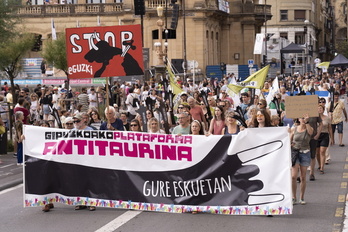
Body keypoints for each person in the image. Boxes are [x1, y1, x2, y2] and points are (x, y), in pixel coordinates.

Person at [290, 115, 313, 205]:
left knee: (303, 177)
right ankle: (293, 197)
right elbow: (289, 140)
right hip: (295, 153)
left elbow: (311, 133)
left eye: (304, 118)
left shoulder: (309, 128)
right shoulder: (294, 129)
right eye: (301, 118)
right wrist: (290, 144)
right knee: (293, 176)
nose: (303, 119)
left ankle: (302, 197)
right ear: (298, 119)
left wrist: (307, 122)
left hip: (305, 153)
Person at [316, 104, 333, 174]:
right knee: (317, 153)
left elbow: (330, 128)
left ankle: (322, 168)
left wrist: (332, 138)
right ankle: (319, 165)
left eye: (321, 108)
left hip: (325, 135)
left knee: (322, 151)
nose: (320, 110)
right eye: (318, 108)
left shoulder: (327, 118)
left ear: (323, 110)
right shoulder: (314, 118)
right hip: (316, 135)